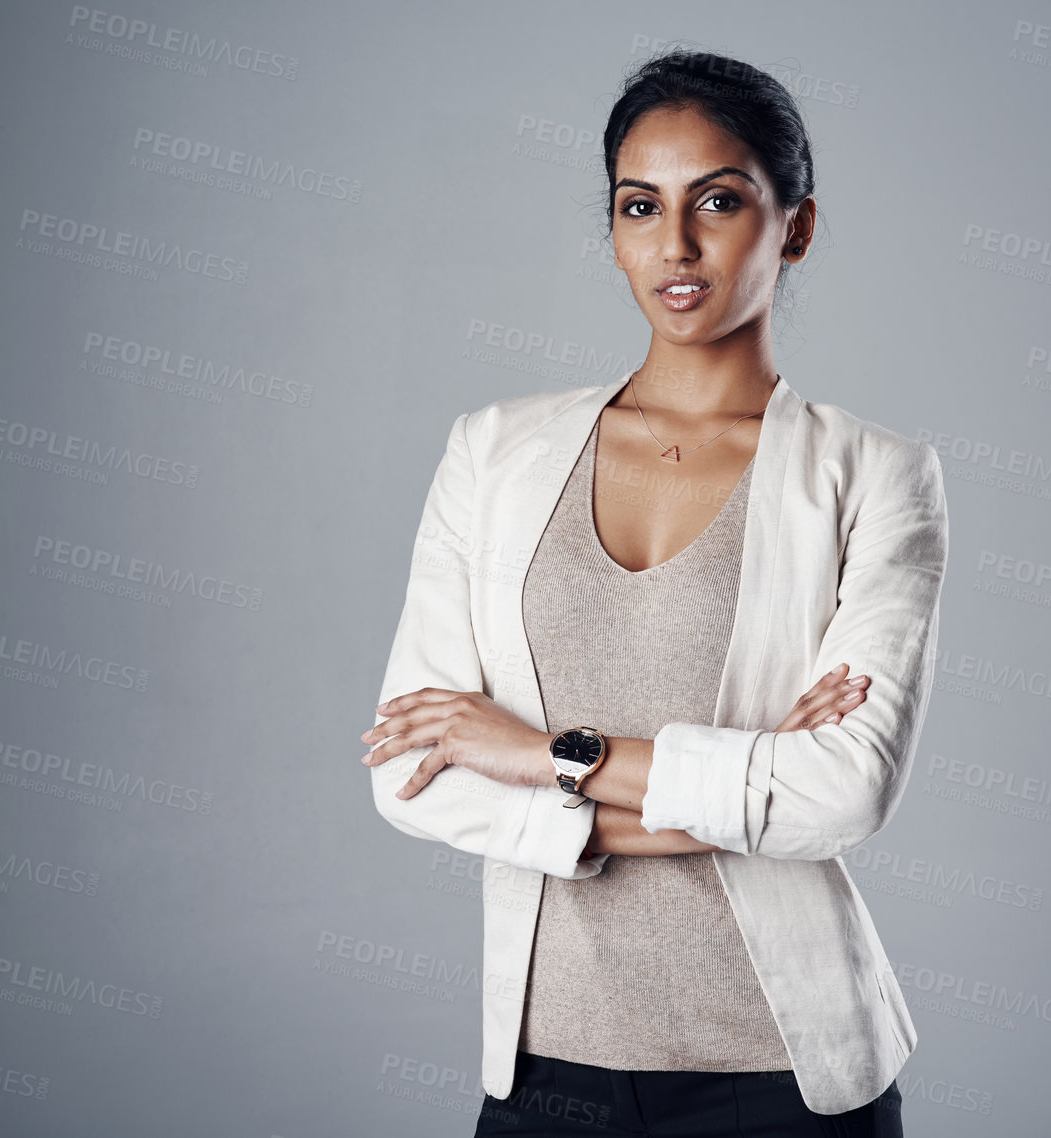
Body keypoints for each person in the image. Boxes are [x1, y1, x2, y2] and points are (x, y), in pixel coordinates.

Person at [362, 49, 948, 1136]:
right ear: (616, 227)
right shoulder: (493, 454)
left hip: (786, 1085)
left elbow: (841, 796)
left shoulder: (875, 475)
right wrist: (741, 787)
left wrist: (542, 754)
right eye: (641, 206)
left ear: (797, 226)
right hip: (548, 1076)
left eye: (719, 201)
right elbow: (413, 773)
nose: (675, 247)